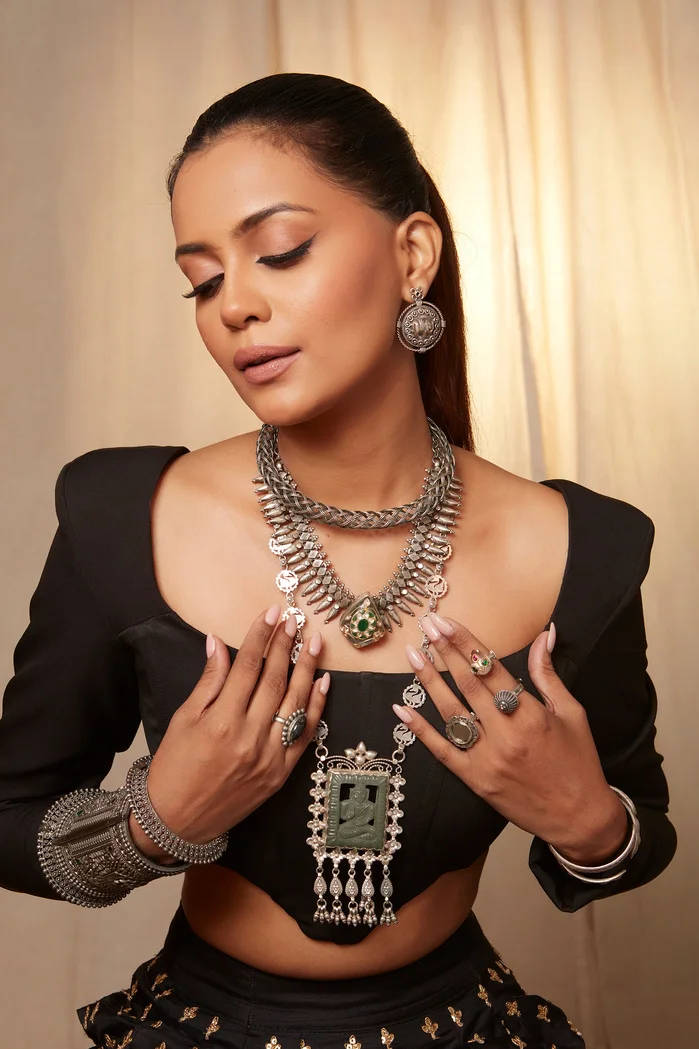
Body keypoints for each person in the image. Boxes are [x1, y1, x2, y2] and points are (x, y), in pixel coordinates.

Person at [0, 72, 676, 1049]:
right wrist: (150, 822)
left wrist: (589, 821)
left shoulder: (581, 548)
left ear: (413, 254)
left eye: (278, 251)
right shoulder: (126, 518)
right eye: (204, 277)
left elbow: (640, 824)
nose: (232, 306)